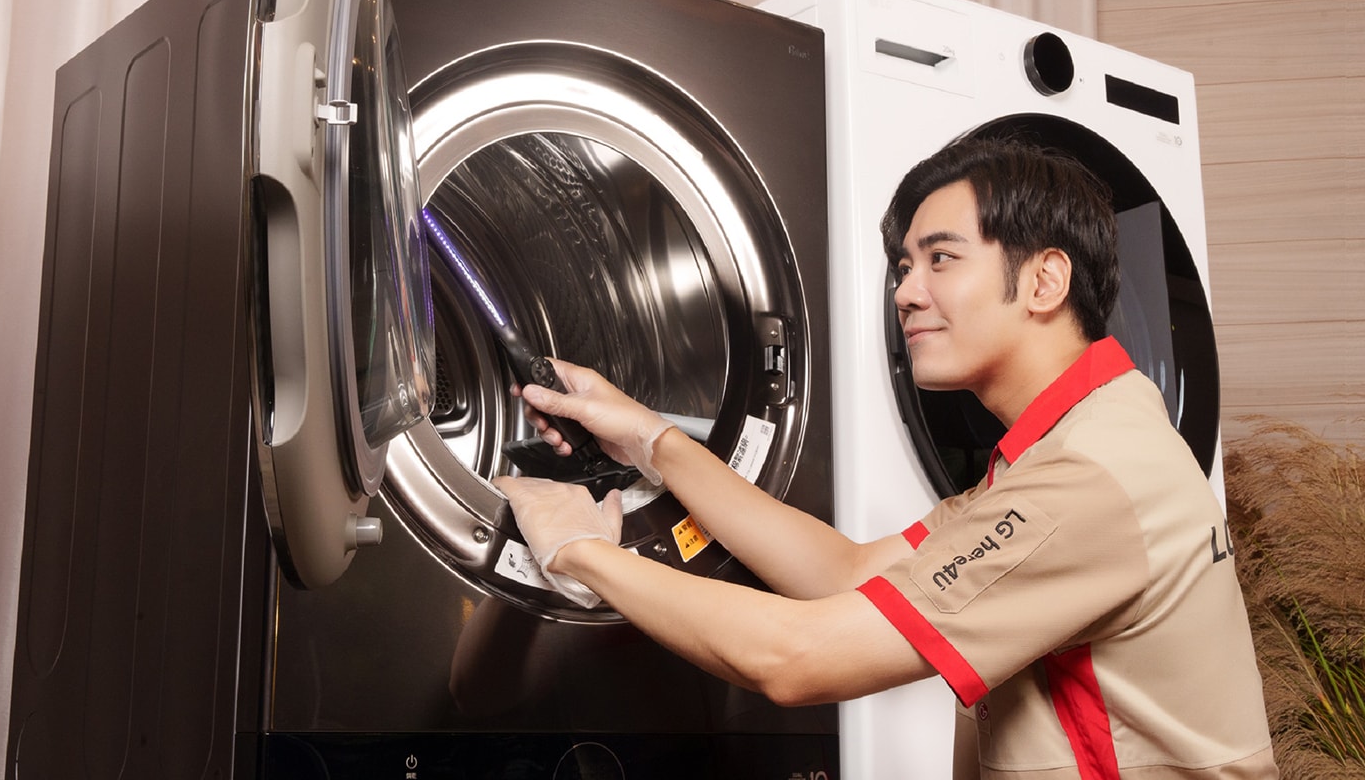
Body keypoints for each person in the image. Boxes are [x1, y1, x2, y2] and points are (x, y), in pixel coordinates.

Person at [495, 130, 1278, 778]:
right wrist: (649, 438)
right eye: (905, 266)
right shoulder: (1083, 435)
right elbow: (844, 572)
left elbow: (794, 660)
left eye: (941, 259)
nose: (905, 291)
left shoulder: (1088, 478)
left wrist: (582, 552)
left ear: (1045, 280)